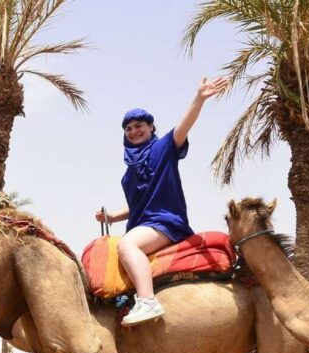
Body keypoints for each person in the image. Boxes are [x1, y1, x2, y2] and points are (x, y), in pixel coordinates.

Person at [96, 77, 227, 326]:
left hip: (165, 223)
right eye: (129, 129)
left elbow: (183, 127)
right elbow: (137, 206)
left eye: (139, 126)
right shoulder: (129, 174)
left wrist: (199, 98)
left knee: (126, 247)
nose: (134, 131)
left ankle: (148, 301)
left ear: (151, 128)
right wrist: (112, 217)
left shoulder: (163, 149)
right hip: (143, 225)